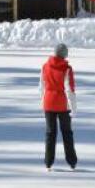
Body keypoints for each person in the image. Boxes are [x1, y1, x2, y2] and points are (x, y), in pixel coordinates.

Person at [39, 43, 78, 172]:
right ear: (64, 55)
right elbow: (69, 89)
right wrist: (73, 108)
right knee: (67, 133)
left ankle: (48, 163)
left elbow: (41, 87)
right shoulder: (67, 69)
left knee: (50, 133)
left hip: (48, 103)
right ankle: (72, 162)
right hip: (62, 105)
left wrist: (42, 103)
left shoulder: (45, 67)